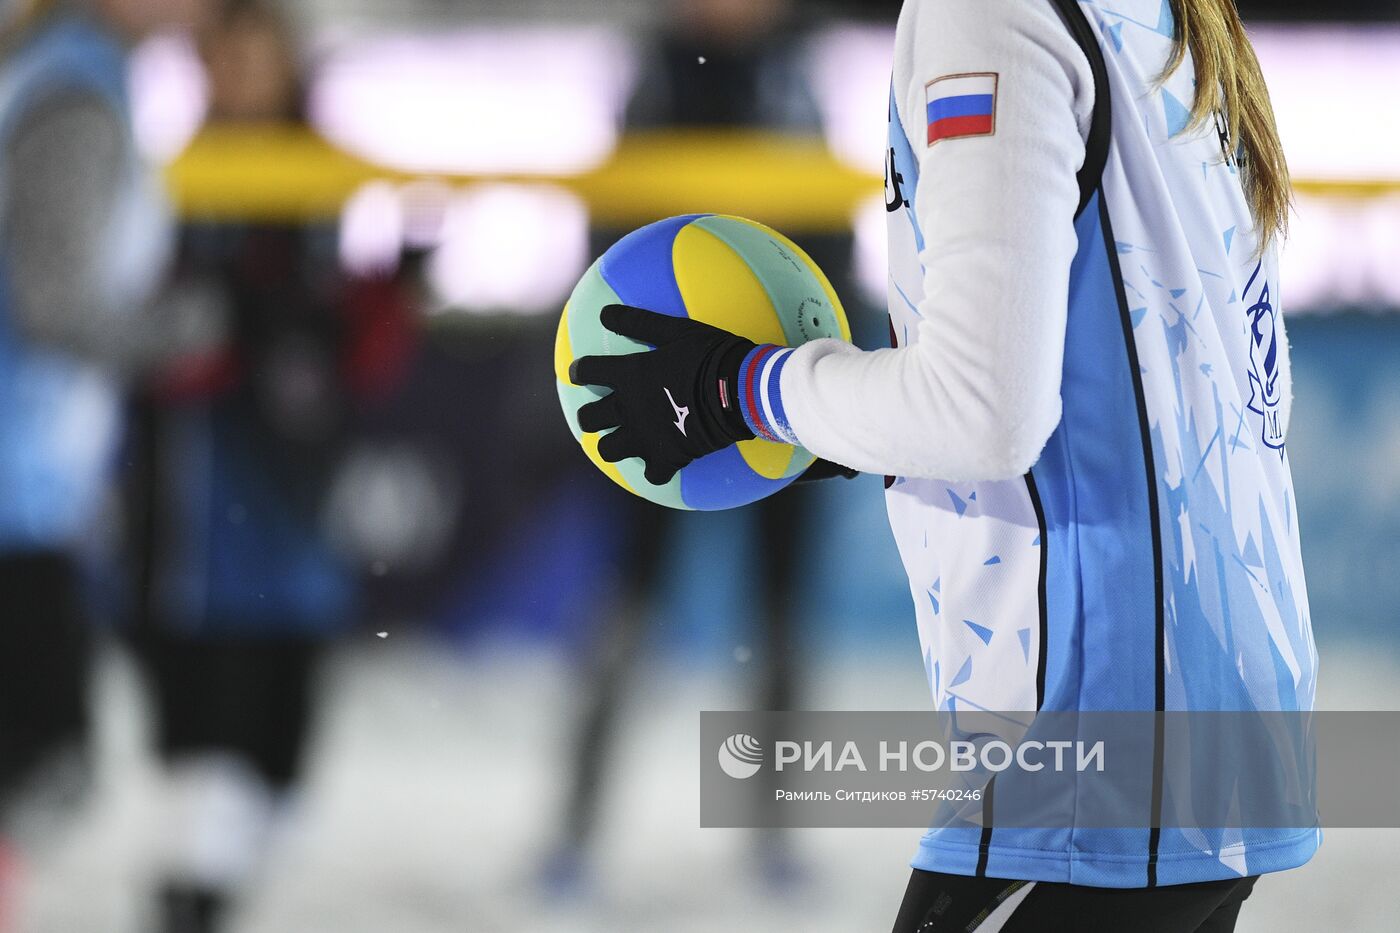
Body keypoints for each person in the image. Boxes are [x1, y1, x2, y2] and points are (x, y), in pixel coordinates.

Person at [568, 1, 1315, 930]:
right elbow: (1131, 385)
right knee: (658, 613)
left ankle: (699, 828)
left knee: (737, 617)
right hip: (1220, 730)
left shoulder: (989, 9)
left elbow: (983, 415)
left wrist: (742, 390)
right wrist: (828, 420)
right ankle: (585, 828)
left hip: (1098, 750)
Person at [124, 4, 415, 932]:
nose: (245, 76)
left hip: (298, 496)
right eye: (228, 57)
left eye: (261, 57)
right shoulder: (170, 177)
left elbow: (358, 356)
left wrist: (381, 302)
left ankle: (207, 879)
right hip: (199, 491)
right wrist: (232, 327)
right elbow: (143, 337)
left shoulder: (326, 177)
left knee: (284, 758)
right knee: (204, 725)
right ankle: (191, 890)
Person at [0, 0, 216, 916]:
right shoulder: (74, 92)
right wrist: (182, 330)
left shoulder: (60, 73)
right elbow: (51, 301)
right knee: (43, 760)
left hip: (31, 486)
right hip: (16, 491)